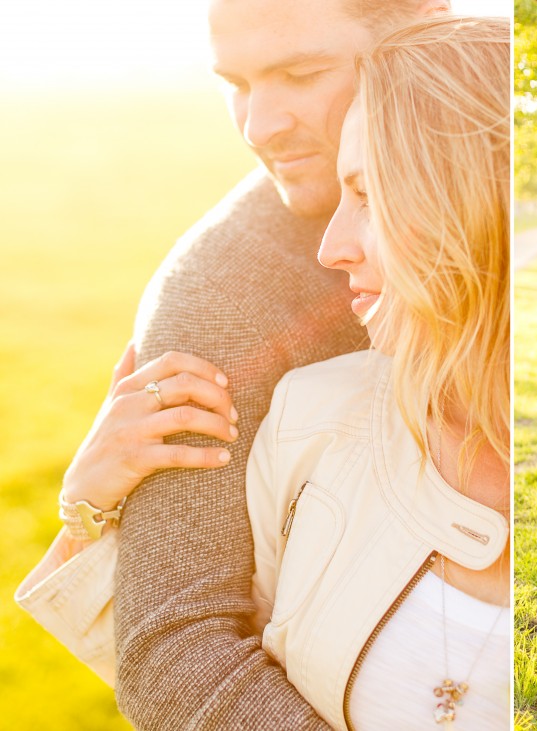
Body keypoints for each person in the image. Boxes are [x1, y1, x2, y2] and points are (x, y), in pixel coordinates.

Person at [14, 2, 505, 729]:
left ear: (423, 33)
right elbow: (177, 651)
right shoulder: (222, 301)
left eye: (300, 73)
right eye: (235, 84)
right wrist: (88, 520)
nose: (257, 126)